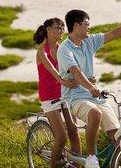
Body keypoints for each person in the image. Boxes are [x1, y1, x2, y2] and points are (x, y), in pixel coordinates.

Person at [57, 10, 121, 168]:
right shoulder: (65, 49)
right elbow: (75, 71)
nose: (89, 28)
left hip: (96, 97)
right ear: (76, 25)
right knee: (95, 113)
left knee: (119, 138)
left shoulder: (89, 41)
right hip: (75, 98)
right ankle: (91, 159)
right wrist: (91, 86)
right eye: (86, 24)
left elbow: (114, 33)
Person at [33, 18, 81, 168]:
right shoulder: (42, 51)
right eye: (58, 28)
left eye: (62, 28)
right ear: (48, 30)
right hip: (49, 96)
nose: (61, 30)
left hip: (64, 93)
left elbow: (74, 67)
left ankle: (77, 165)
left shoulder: (63, 48)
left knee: (74, 130)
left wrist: (85, 79)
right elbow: (54, 72)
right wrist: (65, 82)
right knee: (61, 138)